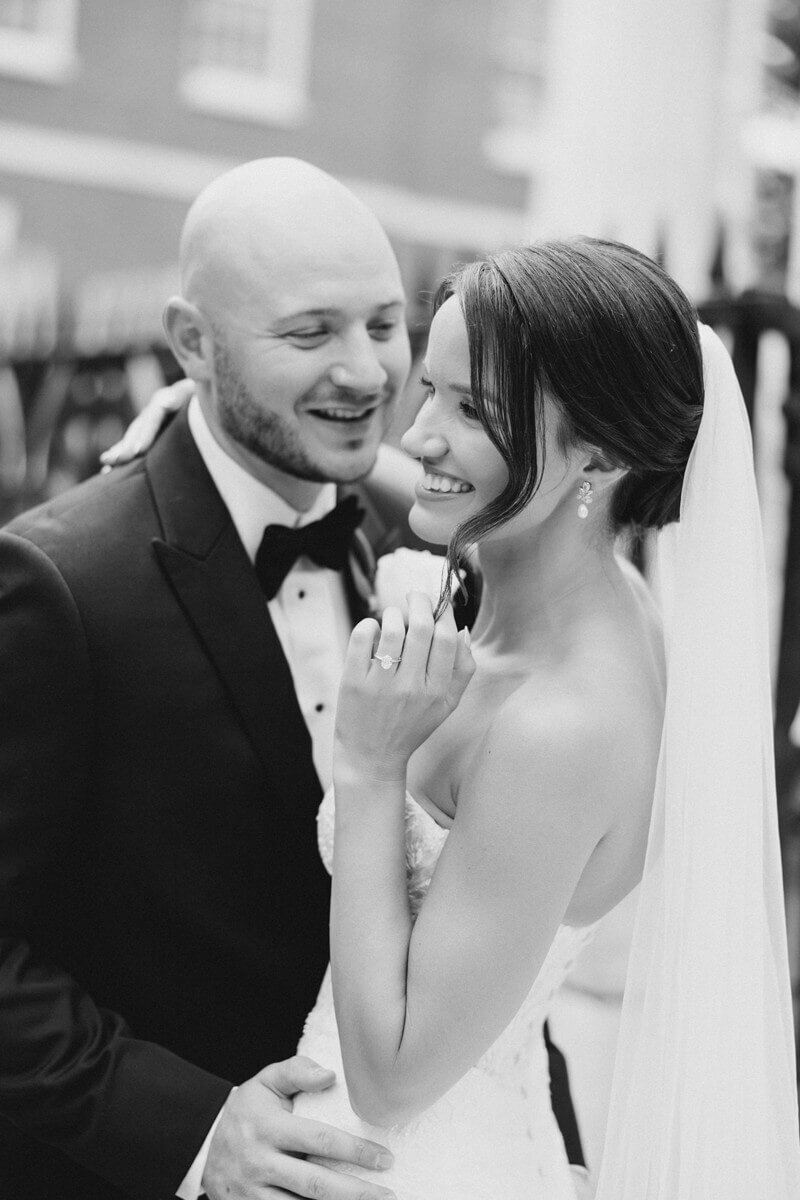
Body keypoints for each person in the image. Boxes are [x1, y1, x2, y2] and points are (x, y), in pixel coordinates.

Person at [0, 158, 582, 1200]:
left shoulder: (423, 537)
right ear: (191, 343)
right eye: (308, 333)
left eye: (381, 324)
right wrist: (191, 1133)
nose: (365, 373)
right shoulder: (60, 584)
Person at [287, 240, 800, 1198]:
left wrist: (367, 765)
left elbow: (394, 1075)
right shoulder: (589, 587)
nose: (422, 437)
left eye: (473, 409)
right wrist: (205, 418)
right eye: (430, 390)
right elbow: (469, 495)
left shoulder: (561, 728)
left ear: (601, 454)